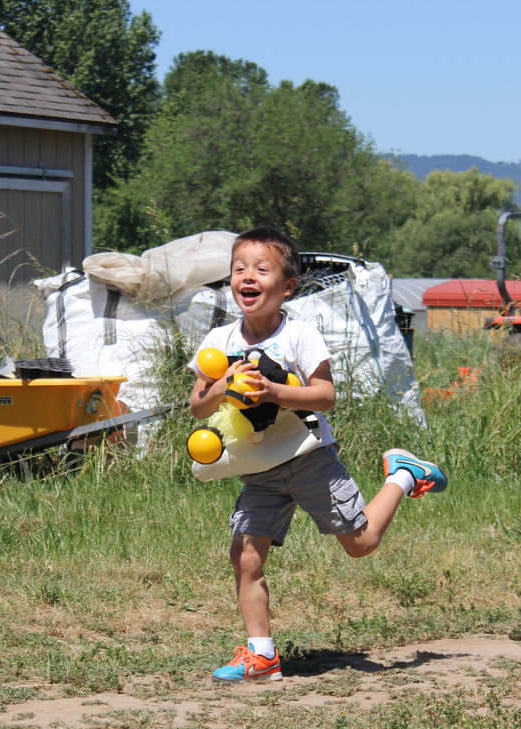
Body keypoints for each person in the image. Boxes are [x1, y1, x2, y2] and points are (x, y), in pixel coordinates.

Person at [188, 227, 448, 683]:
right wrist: (223, 385)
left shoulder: (300, 335)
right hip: (258, 469)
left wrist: (274, 390)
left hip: (309, 457)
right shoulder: (220, 339)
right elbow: (197, 404)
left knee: (360, 544)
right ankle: (263, 655)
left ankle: (403, 475)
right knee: (245, 557)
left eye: (261, 270)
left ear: (287, 286)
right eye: (239, 269)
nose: (247, 277)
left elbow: (325, 396)